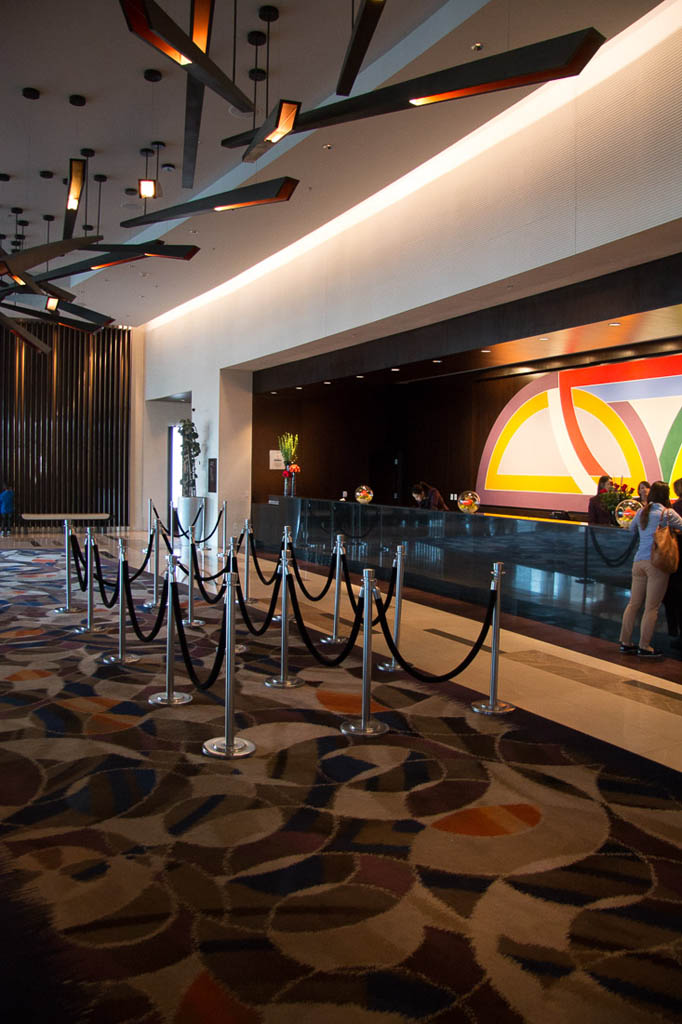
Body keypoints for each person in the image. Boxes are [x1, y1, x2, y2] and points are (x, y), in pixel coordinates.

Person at [619, 480, 682, 658]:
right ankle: (644, 646)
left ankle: (625, 642)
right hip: (657, 563)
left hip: (638, 562)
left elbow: (631, 530)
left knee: (633, 604)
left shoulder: (641, 511)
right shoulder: (667, 513)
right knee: (651, 607)